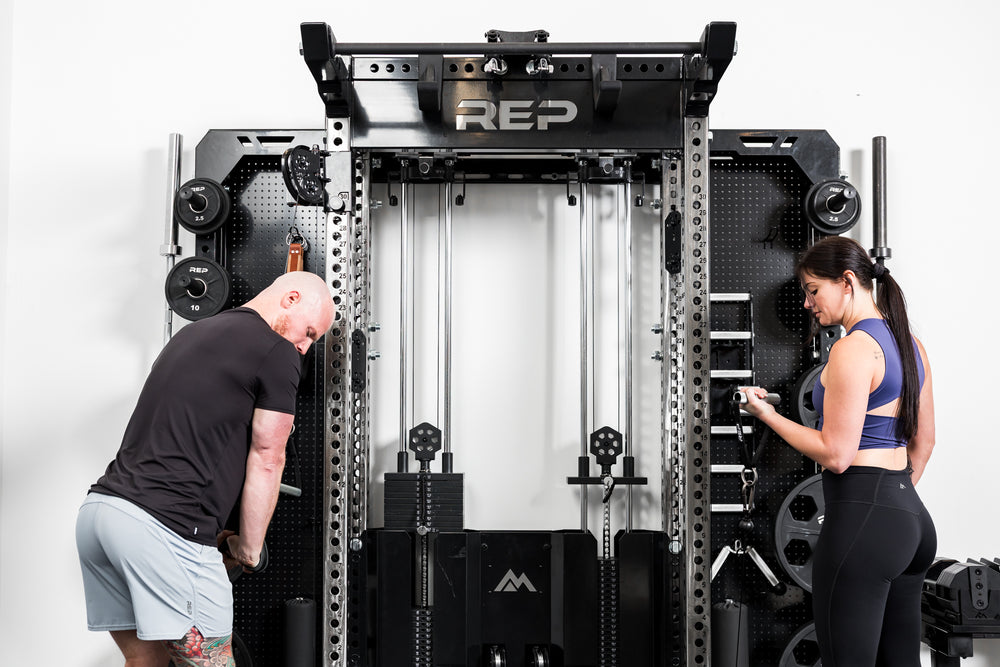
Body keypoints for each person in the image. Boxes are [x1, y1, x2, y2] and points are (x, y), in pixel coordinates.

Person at [76, 271, 336, 667]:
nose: (303, 347)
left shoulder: (194, 332)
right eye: (310, 333)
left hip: (102, 515)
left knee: (144, 659)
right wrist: (248, 550)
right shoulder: (276, 350)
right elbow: (269, 457)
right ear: (290, 298)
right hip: (164, 528)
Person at [740, 236, 936, 667]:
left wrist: (764, 415)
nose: (810, 303)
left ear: (847, 282)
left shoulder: (852, 349)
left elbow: (836, 453)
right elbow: (924, 442)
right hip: (912, 521)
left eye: (814, 290)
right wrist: (891, 504)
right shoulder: (910, 344)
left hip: (864, 523)